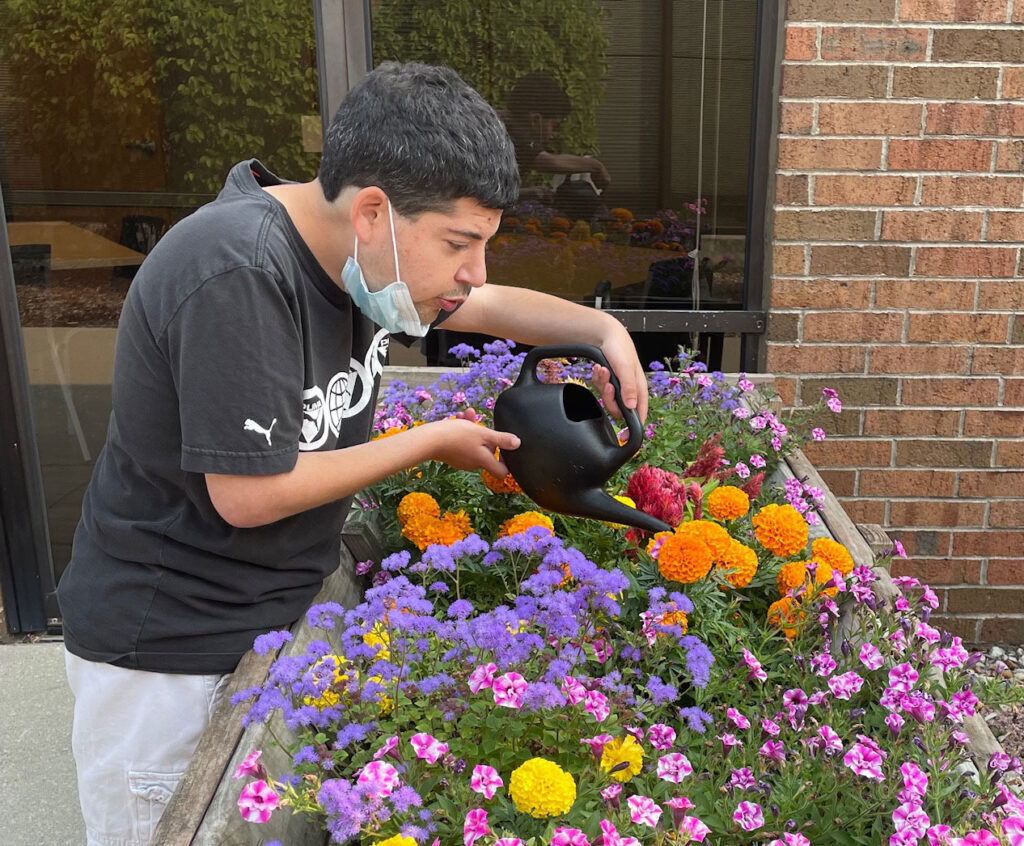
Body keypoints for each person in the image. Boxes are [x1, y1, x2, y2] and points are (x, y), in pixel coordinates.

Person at [56, 61, 648, 846]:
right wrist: (431, 441)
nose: (472, 274)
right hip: (170, 658)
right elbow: (247, 493)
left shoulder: (356, 254)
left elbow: (489, 304)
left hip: (261, 631)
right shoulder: (236, 272)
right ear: (373, 210)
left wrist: (603, 332)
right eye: (459, 244)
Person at [501, 72, 611, 205]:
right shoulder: (511, 132)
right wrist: (596, 166)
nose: (552, 134)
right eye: (554, 125)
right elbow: (550, 162)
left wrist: (527, 193)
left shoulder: (497, 123)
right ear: (536, 119)